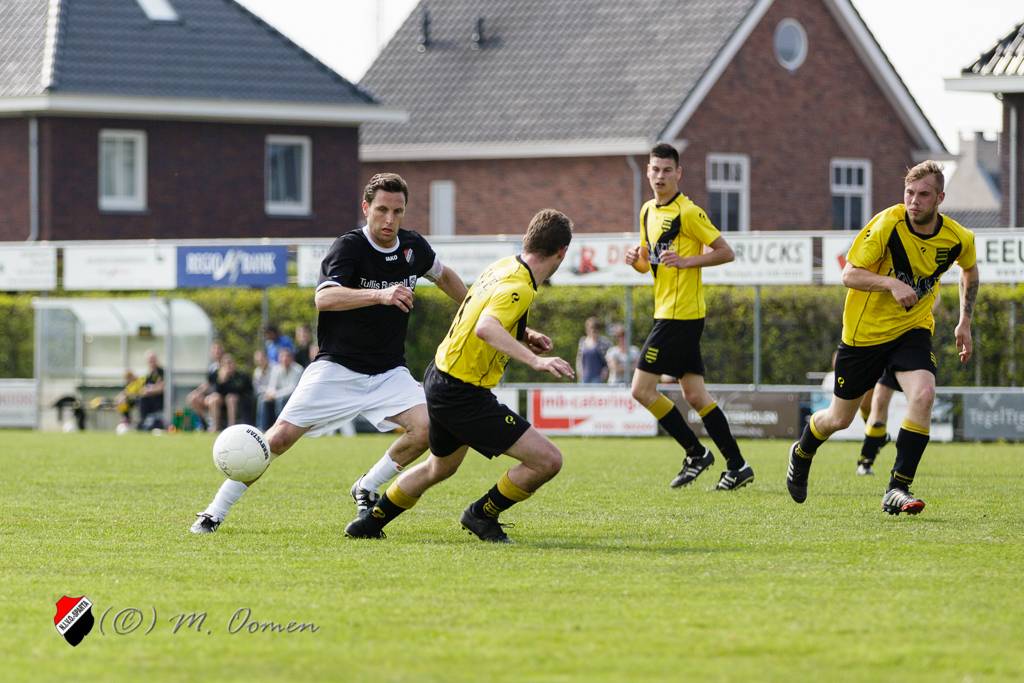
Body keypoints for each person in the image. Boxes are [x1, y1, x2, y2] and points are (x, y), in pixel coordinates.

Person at [190, 173, 467, 534]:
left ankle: (367, 485)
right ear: (366, 208)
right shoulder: (348, 248)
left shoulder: (413, 247)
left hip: (388, 372)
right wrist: (380, 294)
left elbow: (443, 276)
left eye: (397, 211)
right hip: (337, 369)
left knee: (427, 429)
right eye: (382, 210)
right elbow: (325, 297)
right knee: (278, 438)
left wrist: (474, 308)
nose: (389, 219)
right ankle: (214, 512)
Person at [344, 209, 575, 543]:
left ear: (528, 239)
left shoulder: (503, 267)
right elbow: (486, 327)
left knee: (439, 467)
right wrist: (535, 361)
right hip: (463, 393)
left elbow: (481, 311)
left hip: (441, 378)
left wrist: (525, 333)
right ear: (562, 252)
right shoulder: (520, 286)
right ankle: (482, 514)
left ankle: (368, 524)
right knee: (547, 461)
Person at [786, 160, 979, 515]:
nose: (914, 201)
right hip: (865, 335)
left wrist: (964, 321)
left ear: (940, 198)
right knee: (838, 419)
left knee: (924, 394)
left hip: (912, 329)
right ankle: (802, 451)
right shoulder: (888, 224)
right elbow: (849, 274)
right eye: (909, 193)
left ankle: (897, 487)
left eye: (923, 195)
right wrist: (891, 283)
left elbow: (969, 269)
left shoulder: (958, 238)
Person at [624, 142, 754, 491]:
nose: (660, 176)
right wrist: (635, 261)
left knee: (641, 389)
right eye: (655, 169)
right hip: (668, 312)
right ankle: (738, 466)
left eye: (667, 170)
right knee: (696, 395)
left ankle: (696, 453)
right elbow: (648, 263)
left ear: (678, 173)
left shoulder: (689, 212)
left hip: (680, 316)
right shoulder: (647, 211)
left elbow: (726, 252)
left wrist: (688, 261)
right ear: (647, 171)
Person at [205, 353, 252, 432]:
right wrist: (221, 381)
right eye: (226, 364)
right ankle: (215, 426)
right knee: (214, 399)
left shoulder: (240, 376)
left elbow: (239, 389)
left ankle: (231, 426)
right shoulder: (218, 375)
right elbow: (216, 391)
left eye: (230, 363)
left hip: (239, 400)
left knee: (230, 398)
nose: (229, 366)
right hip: (223, 401)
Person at [187, 341, 224, 430]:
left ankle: (215, 427)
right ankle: (205, 423)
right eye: (214, 350)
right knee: (192, 398)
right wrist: (197, 392)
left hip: (222, 395)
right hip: (211, 395)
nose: (216, 351)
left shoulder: (226, 364)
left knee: (213, 399)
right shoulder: (212, 367)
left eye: (218, 349)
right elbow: (208, 384)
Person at [262, 348, 303, 424]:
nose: (284, 359)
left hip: (293, 397)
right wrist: (270, 394)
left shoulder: (298, 369)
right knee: (264, 400)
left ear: (292, 358)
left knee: (281, 400)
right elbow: (272, 386)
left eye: (287, 356)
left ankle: (280, 425)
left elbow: (292, 389)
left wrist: (276, 395)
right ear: (279, 358)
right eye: (282, 356)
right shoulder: (276, 369)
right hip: (278, 395)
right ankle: (262, 427)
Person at [576, 316, 610, 383]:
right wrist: (579, 373)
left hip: (598, 377)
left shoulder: (604, 342)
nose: (593, 331)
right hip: (584, 376)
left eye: (595, 329)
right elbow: (579, 359)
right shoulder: (583, 341)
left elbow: (609, 360)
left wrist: (606, 370)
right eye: (591, 328)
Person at [137, 350, 165, 430]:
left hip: (160, 401)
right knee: (139, 398)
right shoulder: (148, 375)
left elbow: (162, 387)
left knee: (144, 398)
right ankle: (142, 421)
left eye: (153, 359)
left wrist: (150, 390)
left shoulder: (162, 372)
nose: (151, 362)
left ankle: (152, 422)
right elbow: (142, 389)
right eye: (149, 360)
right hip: (148, 402)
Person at [252, 349, 273, 431]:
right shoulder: (257, 371)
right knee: (261, 399)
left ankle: (262, 426)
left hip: (274, 393)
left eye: (261, 359)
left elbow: (274, 384)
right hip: (264, 394)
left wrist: (269, 392)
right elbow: (257, 388)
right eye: (258, 360)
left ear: (266, 358)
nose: (260, 362)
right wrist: (266, 392)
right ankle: (260, 427)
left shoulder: (274, 368)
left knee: (262, 399)